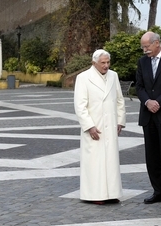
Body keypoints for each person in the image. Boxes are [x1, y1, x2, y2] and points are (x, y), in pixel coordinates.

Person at [74, 49, 126, 205]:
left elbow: (120, 100)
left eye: (108, 62)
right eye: (103, 63)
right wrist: (89, 126)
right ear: (94, 63)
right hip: (94, 126)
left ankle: (112, 193)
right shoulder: (83, 78)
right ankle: (95, 195)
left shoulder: (113, 76)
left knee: (111, 161)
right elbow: (80, 106)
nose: (106, 66)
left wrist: (120, 121)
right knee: (94, 162)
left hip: (110, 125)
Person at [136, 31, 161, 204]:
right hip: (148, 116)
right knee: (152, 156)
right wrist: (147, 102)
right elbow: (139, 86)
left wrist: (157, 102)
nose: (145, 50)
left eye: (147, 46)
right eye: (143, 47)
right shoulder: (142, 62)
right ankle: (158, 191)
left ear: (157, 43)